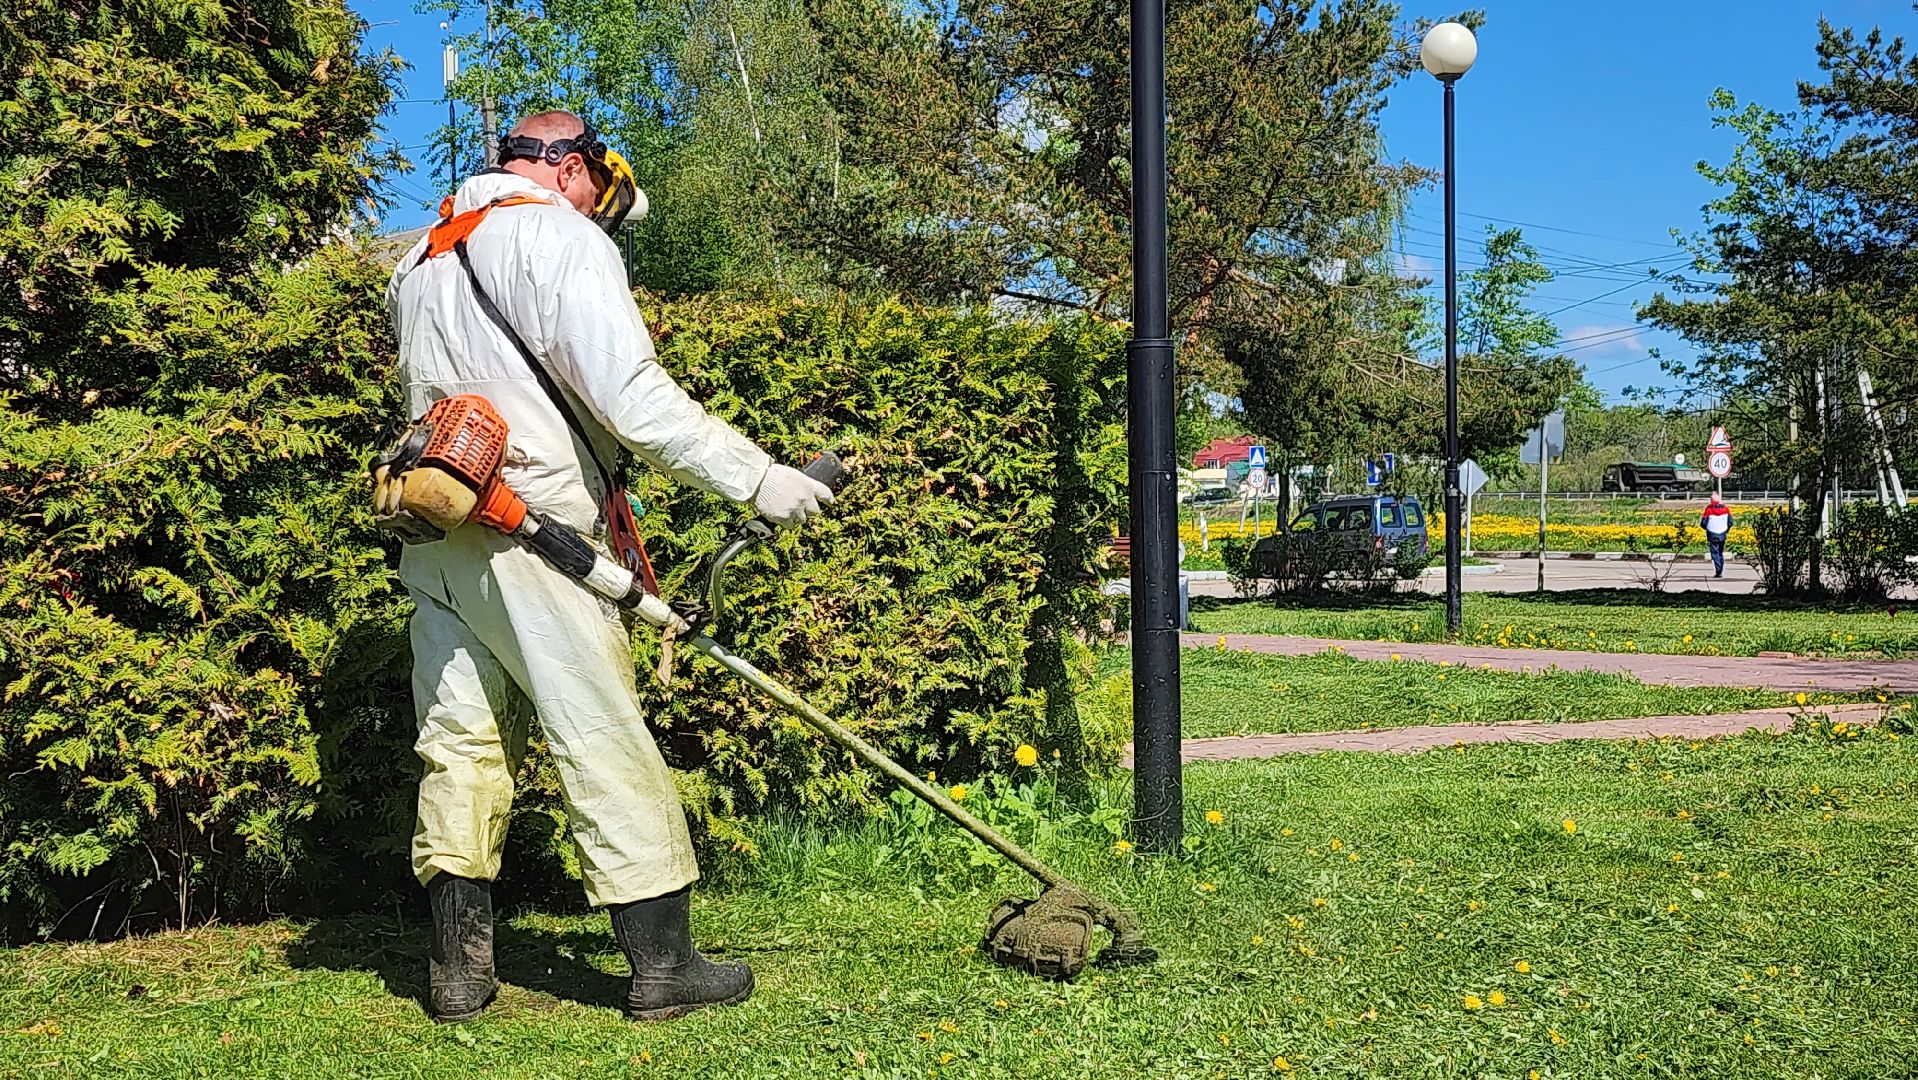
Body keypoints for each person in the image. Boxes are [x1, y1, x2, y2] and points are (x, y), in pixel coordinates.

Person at [385, 110, 834, 1024]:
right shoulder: (561, 238)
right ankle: (663, 968)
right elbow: (633, 400)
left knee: (459, 742)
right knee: (601, 735)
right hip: (537, 536)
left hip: (437, 529)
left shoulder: (419, 259)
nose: (599, 211)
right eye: (598, 190)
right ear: (567, 167)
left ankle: (458, 974)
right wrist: (758, 478)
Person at [1701, 494, 1731, 578]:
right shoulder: (1726, 509)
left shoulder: (1709, 509)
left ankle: (1719, 570)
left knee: (1715, 553)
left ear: (1711, 501)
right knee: (1720, 552)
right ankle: (1720, 569)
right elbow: (1730, 522)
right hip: (1722, 534)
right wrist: (1726, 530)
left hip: (1712, 534)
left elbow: (1703, 523)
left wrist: (1707, 529)